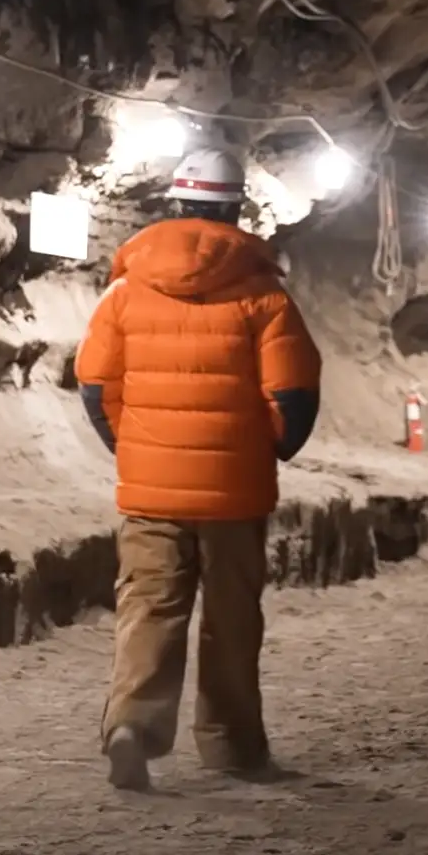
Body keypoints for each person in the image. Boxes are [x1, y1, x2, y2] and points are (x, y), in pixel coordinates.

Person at [74, 146, 322, 791]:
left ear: (176, 202)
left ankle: (131, 728)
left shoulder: (125, 291)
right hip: (235, 493)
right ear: (237, 208)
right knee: (232, 619)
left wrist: (135, 447)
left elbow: (95, 384)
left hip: (149, 491)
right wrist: (266, 449)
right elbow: (293, 393)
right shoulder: (264, 294)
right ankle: (232, 746)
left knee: (149, 608)